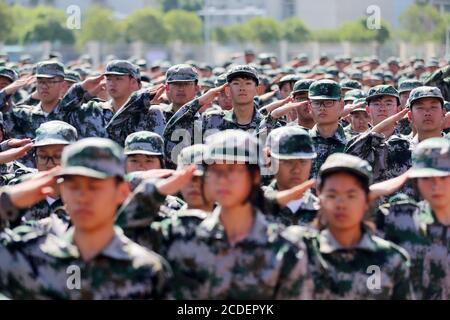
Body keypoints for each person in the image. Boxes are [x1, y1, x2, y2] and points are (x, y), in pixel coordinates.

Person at [0, 137, 174, 299]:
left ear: (121, 192)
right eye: (73, 186)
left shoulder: (145, 271)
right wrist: (6, 201)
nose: (82, 196)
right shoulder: (33, 257)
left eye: (94, 187)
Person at [151, 130, 314, 299]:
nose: (222, 179)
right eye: (215, 169)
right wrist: (154, 191)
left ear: (255, 177)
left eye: (233, 169)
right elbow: (125, 235)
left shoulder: (284, 249)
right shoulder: (179, 234)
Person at [306, 153, 413, 299]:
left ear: (367, 199)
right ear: (319, 196)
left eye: (351, 196)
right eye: (332, 195)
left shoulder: (391, 259)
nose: (341, 204)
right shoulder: (300, 252)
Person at [374, 137, 450, 300]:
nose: (436, 186)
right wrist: (396, 182)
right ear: (415, 181)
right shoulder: (396, 219)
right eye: (427, 177)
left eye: (444, 177)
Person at [164, 65, 265, 166]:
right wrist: (199, 101)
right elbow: (171, 133)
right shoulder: (211, 120)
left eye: (248, 83)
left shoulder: (267, 125)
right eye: (236, 83)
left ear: (257, 90)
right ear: (227, 90)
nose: (242, 88)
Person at [263, 126, 319, 226]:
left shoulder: (322, 212)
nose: (296, 170)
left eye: (303, 162)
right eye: (288, 162)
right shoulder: (252, 206)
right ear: (269, 162)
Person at [307, 79, 347, 179]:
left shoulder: (354, 143)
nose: (322, 108)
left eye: (328, 102)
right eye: (316, 103)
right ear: (309, 107)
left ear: (341, 105)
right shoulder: (301, 142)